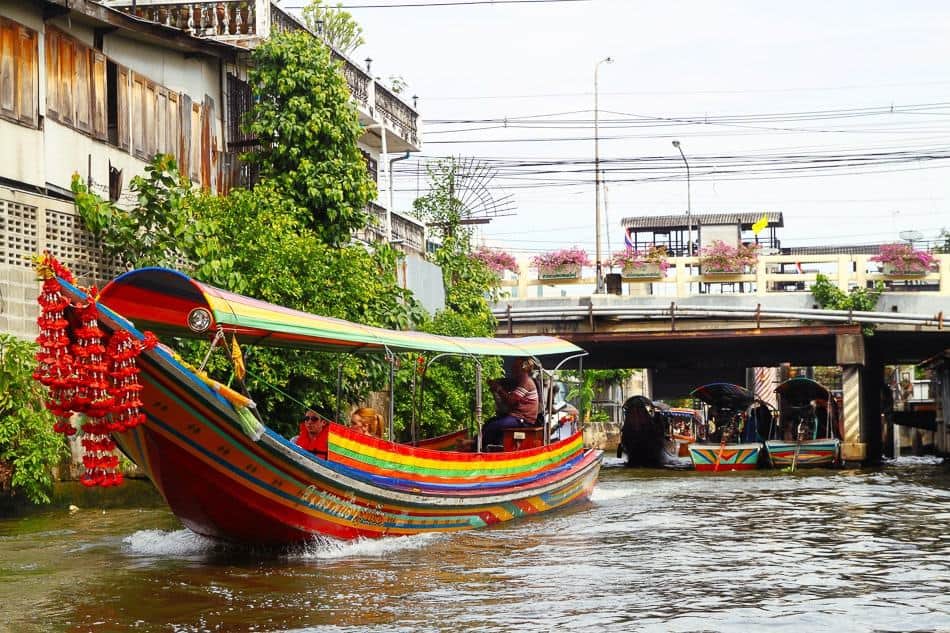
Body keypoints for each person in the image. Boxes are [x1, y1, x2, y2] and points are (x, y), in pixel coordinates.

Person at [481, 358, 539, 449]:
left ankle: (478, 447)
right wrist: (495, 382)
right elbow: (506, 382)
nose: (512, 369)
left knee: (493, 426)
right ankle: (484, 445)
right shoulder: (519, 380)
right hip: (516, 416)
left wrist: (499, 389)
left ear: (523, 368)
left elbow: (512, 401)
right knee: (488, 423)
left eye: (515, 367)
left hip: (524, 420)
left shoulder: (526, 382)